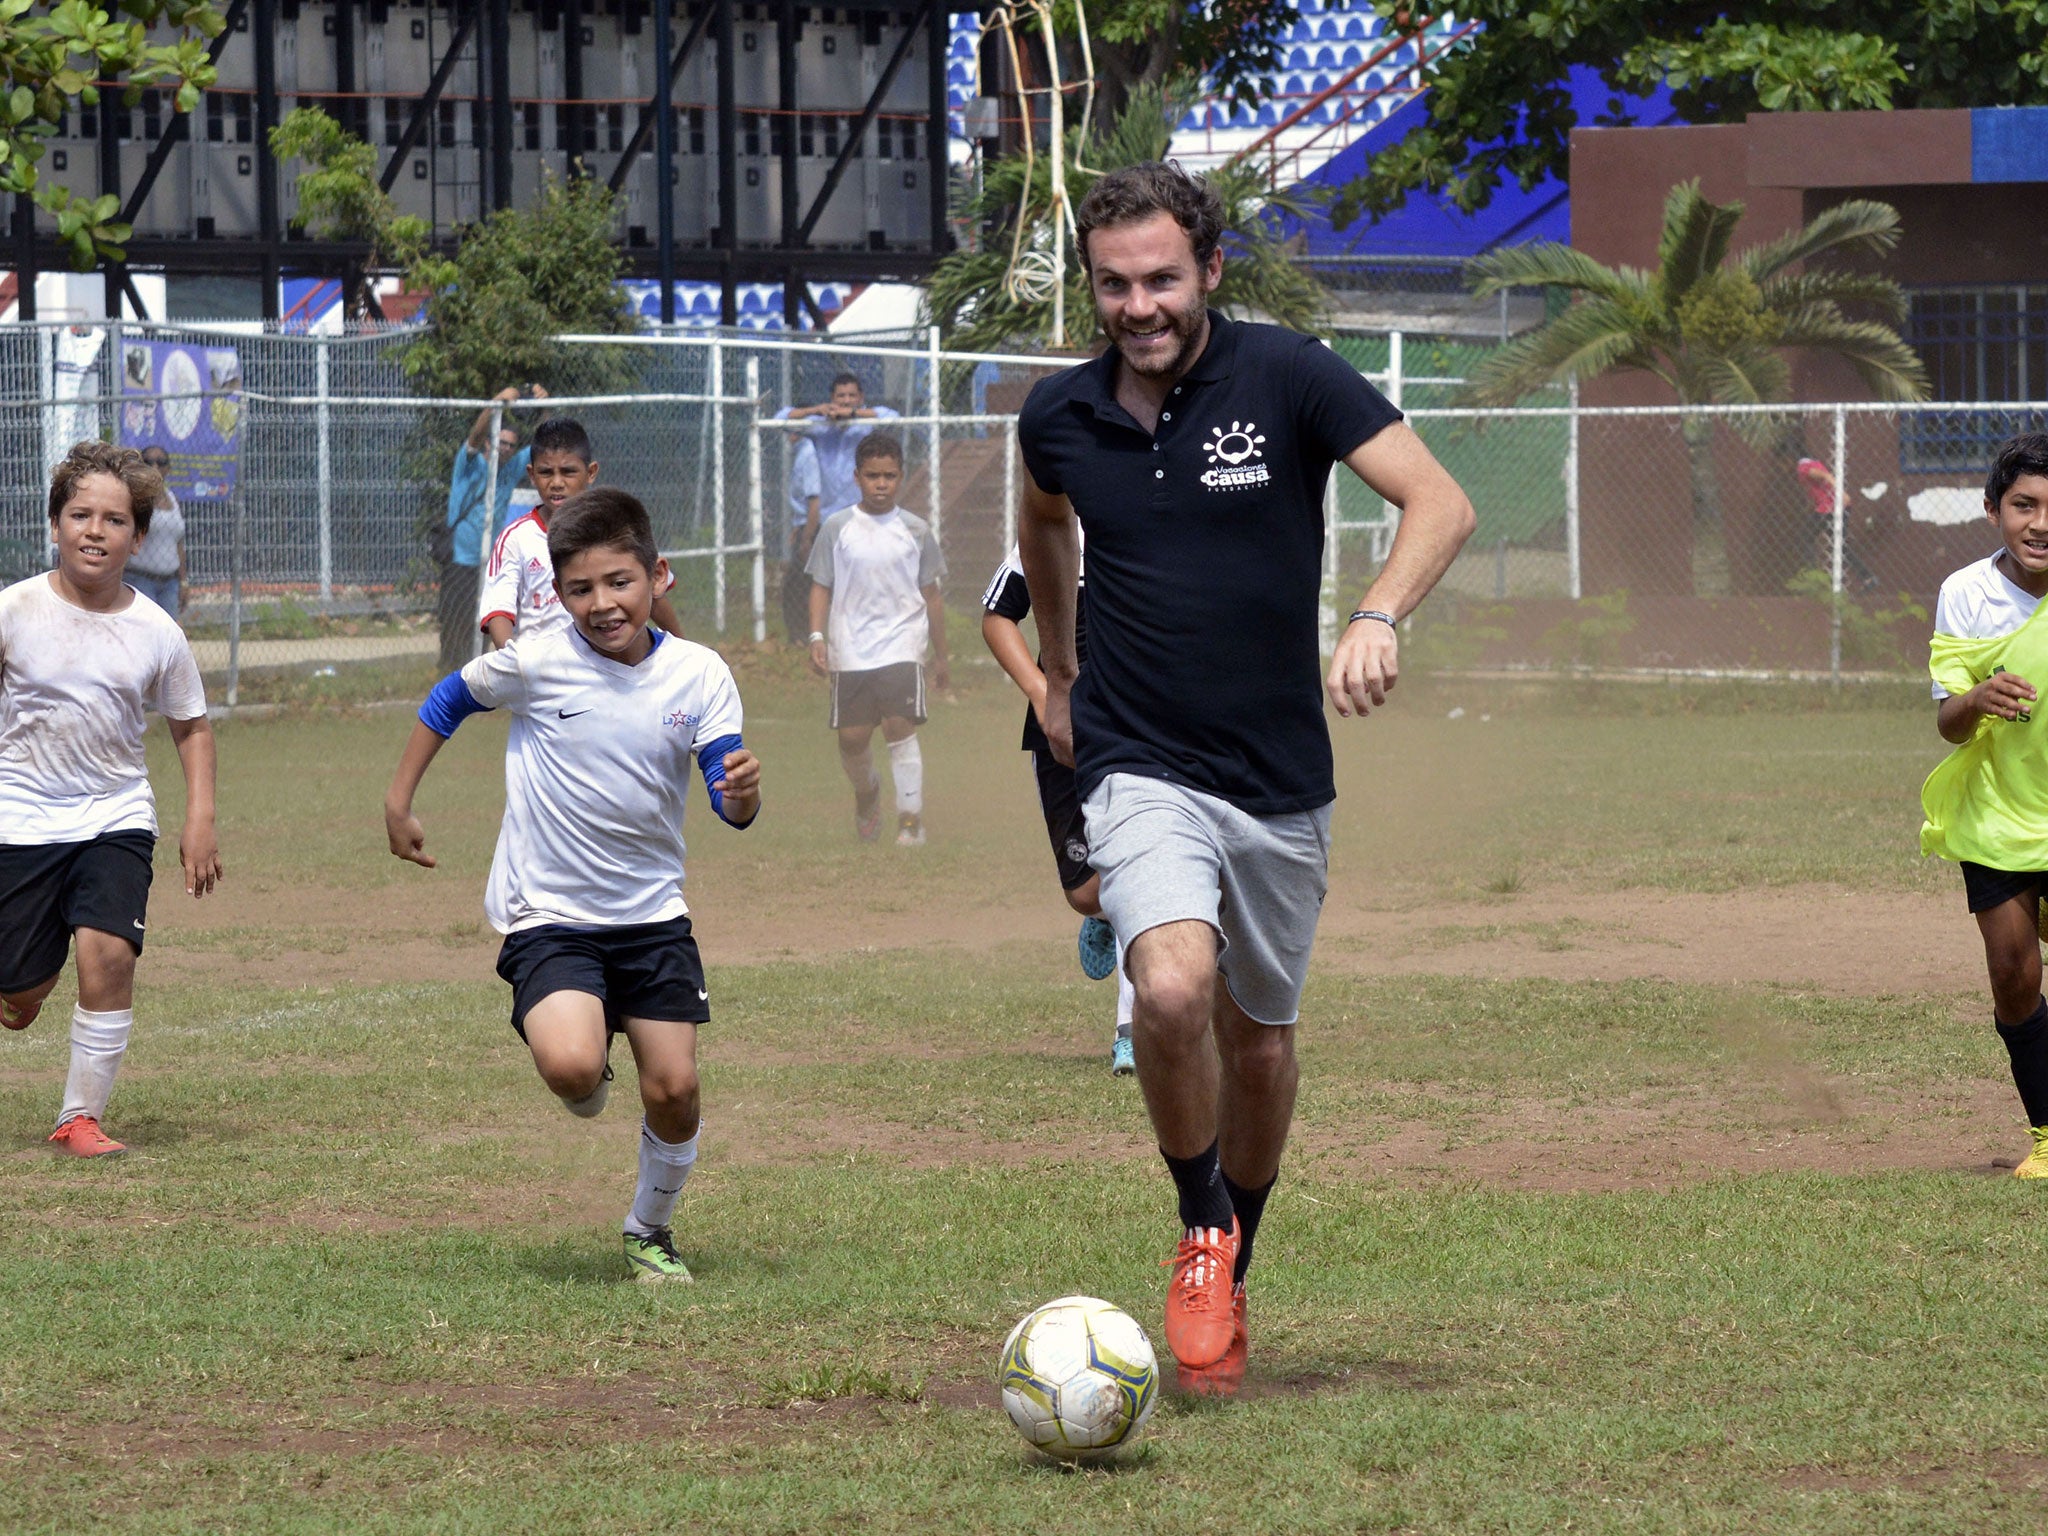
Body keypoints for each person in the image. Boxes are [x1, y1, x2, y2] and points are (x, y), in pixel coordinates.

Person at [1016, 162, 1475, 1396]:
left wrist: (1378, 613)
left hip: (1276, 773)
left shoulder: (1289, 375)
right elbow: (1043, 520)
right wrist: (1057, 673)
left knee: (1258, 1042)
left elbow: (1438, 501)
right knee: (1168, 991)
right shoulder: (1057, 414)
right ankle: (1198, 1222)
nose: (1138, 304)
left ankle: (1236, 1253)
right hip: (1133, 756)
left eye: (1161, 277)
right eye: (1113, 284)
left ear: (1208, 271)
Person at [384, 487, 760, 1282]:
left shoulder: (699, 674)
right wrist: (399, 799)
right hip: (550, 913)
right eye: (581, 589)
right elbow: (451, 698)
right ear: (558, 595)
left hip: (653, 915)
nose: (603, 604)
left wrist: (744, 794)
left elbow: (728, 800)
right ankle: (585, 1062)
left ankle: (649, 1230)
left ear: (658, 576)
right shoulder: (539, 660)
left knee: (677, 1086)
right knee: (571, 1068)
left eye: (620, 582)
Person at [0, 441, 223, 1157]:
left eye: (115, 520)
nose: (95, 530)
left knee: (109, 953)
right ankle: (18, 986)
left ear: (141, 536)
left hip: (114, 816)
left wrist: (199, 820)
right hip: (21, 817)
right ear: (56, 525)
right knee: (21, 991)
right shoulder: (14, 611)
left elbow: (190, 726)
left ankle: (79, 1118)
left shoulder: (157, 631)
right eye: (80, 515)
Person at [1919, 432, 2048, 1181]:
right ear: (1993, 510)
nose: (2040, 522)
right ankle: (2046, 1138)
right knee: (2011, 973)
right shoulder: (1967, 593)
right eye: (2023, 505)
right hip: (1998, 812)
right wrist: (1978, 696)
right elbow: (1948, 723)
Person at [981, 539, 1137, 1075]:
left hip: (1143, 729)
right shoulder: (1053, 536)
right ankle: (1101, 915)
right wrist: (1043, 693)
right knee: (1088, 891)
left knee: (1136, 875)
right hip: (1063, 734)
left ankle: (1132, 1032)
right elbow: (998, 617)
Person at [806, 433, 947, 847]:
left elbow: (932, 595)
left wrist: (941, 656)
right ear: (856, 477)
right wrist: (817, 635)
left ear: (901, 477)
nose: (881, 484)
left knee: (899, 726)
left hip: (903, 644)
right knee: (852, 739)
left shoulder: (916, 531)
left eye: (889, 476)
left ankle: (910, 822)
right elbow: (820, 586)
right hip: (850, 647)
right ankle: (867, 795)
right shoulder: (837, 528)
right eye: (873, 476)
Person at [478, 416, 686, 648]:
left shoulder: (616, 527)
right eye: (546, 472)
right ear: (532, 474)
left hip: (609, 664)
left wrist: (685, 651)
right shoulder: (515, 539)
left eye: (568, 472)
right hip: (547, 673)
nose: (556, 482)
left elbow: (653, 596)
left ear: (591, 472)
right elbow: (499, 611)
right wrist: (514, 664)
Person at [440, 384, 546, 671]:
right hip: (461, 556)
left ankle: (480, 672)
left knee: (488, 617)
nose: (507, 449)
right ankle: (449, 670)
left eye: (511, 445)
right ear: (490, 442)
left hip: (490, 561)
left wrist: (543, 407)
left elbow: (543, 442)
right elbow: (474, 435)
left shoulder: (511, 469)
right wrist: (496, 403)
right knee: (455, 617)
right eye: (502, 442)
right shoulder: (470, 463)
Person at [777, 372, 900, 519]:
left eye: (851, 396)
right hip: (829, 514)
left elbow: (894, 418)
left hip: (863, 511)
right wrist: (814, 410)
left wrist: (854, 413)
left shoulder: (866, 424)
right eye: (841, 396)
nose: (846, 401)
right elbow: (780, 419)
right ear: (832, 398)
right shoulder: (821, 425)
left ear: (861, 398)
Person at [127, 445, 185, 619]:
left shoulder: (173, 499)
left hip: (170, 582)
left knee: (169, 636)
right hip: (140, 580)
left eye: (161, 463)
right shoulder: (134, 500)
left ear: (168, 468)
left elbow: (179, 544)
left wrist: (184, 581)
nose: (155, 468)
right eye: (148, 462)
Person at [780, 434, 823, 644]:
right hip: (804, 526)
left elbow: (814, 502)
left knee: (797, 584)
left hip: (812, 527)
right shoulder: (800, 453)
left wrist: (807, 537)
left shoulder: (808, 455)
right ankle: (800, 635)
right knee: (798, 583)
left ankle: (802, 635)